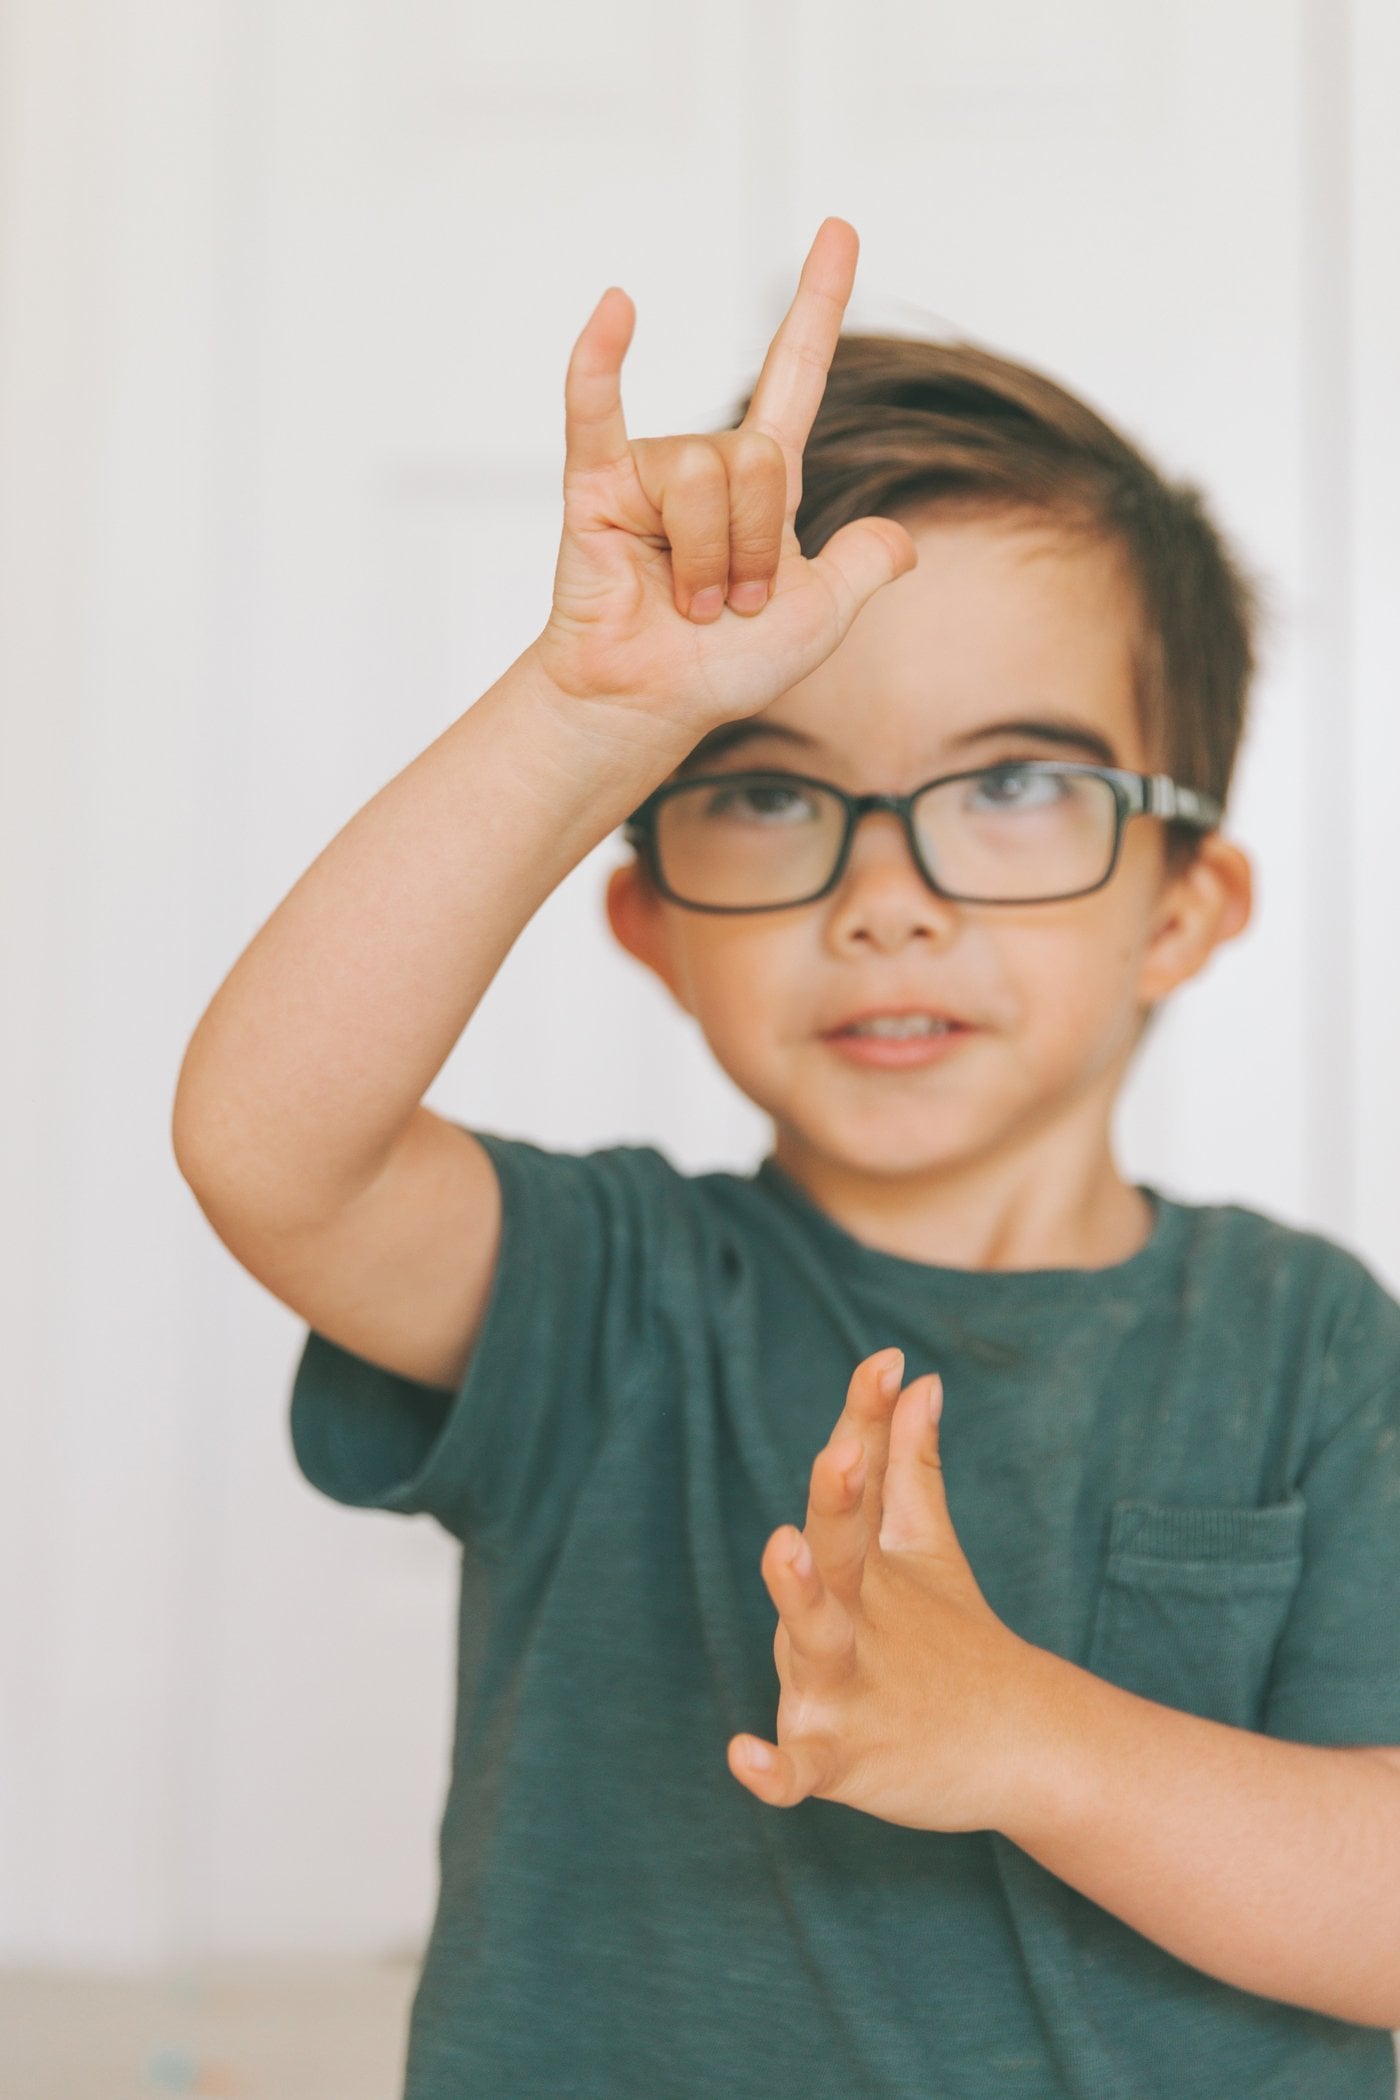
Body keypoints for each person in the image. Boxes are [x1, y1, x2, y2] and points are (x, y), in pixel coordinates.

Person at [172, 218, 1400, 2099]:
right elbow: (272, 1145)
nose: (888, 899)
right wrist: (587, 716)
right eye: (764, 792)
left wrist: (1031, 1740)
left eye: (1014, 786)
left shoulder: (1313, 1341)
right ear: (651, 920)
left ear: (1184, 907)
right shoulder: (603, 1291)